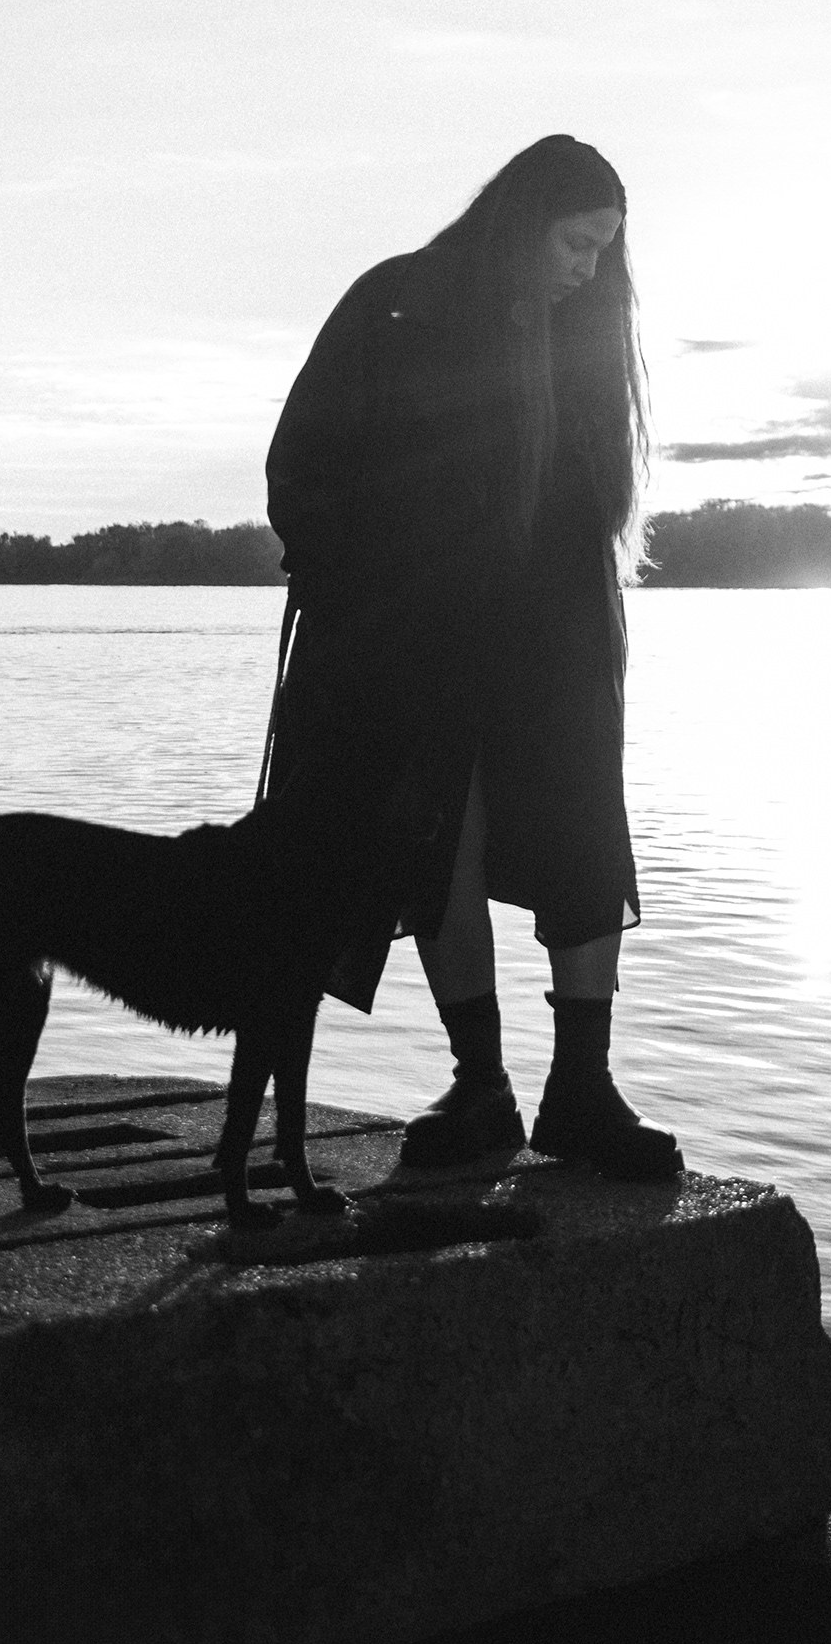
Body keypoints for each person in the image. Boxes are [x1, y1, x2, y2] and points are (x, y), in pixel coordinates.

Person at [256, 133, 682, 1180]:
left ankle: (582, 1091)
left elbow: (588, 495)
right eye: (575, 243)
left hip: (558, 630)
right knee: (442, 833)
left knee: (582, 835)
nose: (589, 268)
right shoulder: (396, 302)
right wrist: (352, 585)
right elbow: (303, 459)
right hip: (418, 628)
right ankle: (480, 1085)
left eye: (604, 250)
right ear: (522, 221)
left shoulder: (584, 330)